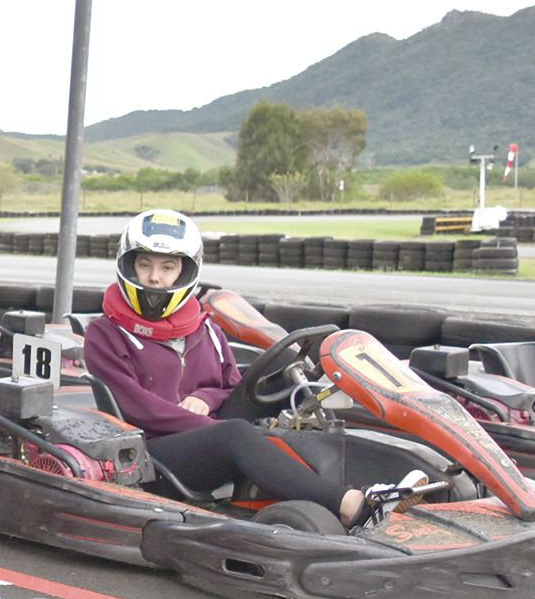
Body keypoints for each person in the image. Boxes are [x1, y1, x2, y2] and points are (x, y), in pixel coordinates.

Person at [81, 208, 429, 529]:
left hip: (210, 429)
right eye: (145, 265)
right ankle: (351, 504)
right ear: (128, 266)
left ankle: (367, 464)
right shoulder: (107, 333)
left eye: (167, 267)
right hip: (153, 452)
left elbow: (229, 385)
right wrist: (212, 426)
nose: (155, 278)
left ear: (185, 271)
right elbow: (135, 407)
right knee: (236, 434)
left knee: (281, 368)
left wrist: (204, 396)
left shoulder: (205, 329)